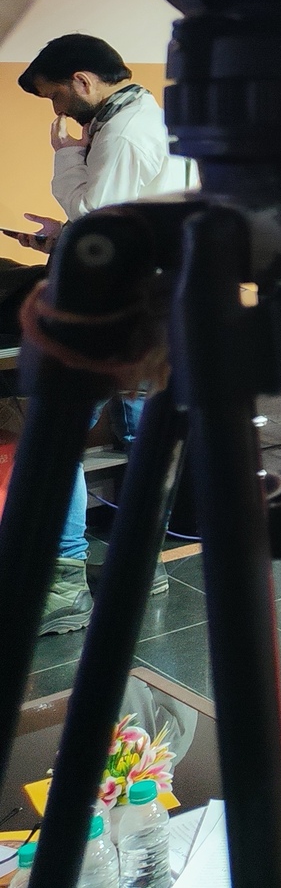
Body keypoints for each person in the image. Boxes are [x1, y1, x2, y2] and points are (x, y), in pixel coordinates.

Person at [17, 34, 194, 635]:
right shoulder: (147, 116)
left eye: (57, 97)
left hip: (117, 308)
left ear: (84, 80)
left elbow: (96, 216)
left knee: (58, 429)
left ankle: (65, 585)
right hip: (156, 303)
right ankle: (142, 565)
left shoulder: (120, 132)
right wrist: (62, 234)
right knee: (143, 433)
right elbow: (127, 217)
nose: (58, 111)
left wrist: (67, 158)